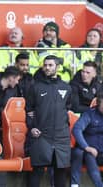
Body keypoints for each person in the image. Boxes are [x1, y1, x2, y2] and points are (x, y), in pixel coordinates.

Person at [26, 55, 72, 187]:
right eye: (45, 65)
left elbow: (67, 108)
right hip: (41, 134)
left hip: (60, 136)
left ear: (57, 67)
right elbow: (28, 110)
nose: (47, 67)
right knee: (37, 170)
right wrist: (31, 127)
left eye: (50, 65)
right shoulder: (35, 87)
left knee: (61, 171)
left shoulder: (66, 88)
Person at [71, 92, 103, 187]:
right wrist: (87, 147)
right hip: (89, 151)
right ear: (98, 104)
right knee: (88, 155)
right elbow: (77, 129)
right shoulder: (90, 114)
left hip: (101, 152)